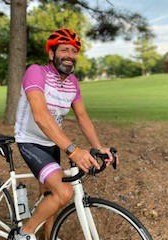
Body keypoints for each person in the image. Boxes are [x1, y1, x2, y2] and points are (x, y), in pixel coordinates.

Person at [14, 28, 115, 240]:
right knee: (64, 192)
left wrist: (98, 146)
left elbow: (82, 117)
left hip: (52, 142)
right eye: (64, 50)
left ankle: (48, 237)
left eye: (74, 51)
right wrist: (74, 150)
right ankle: (24, 233)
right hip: (30, 141)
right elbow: (41, 116)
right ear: (51, 54)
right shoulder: (36, 72)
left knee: (50, 196)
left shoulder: (73, 83)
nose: (70, 55)